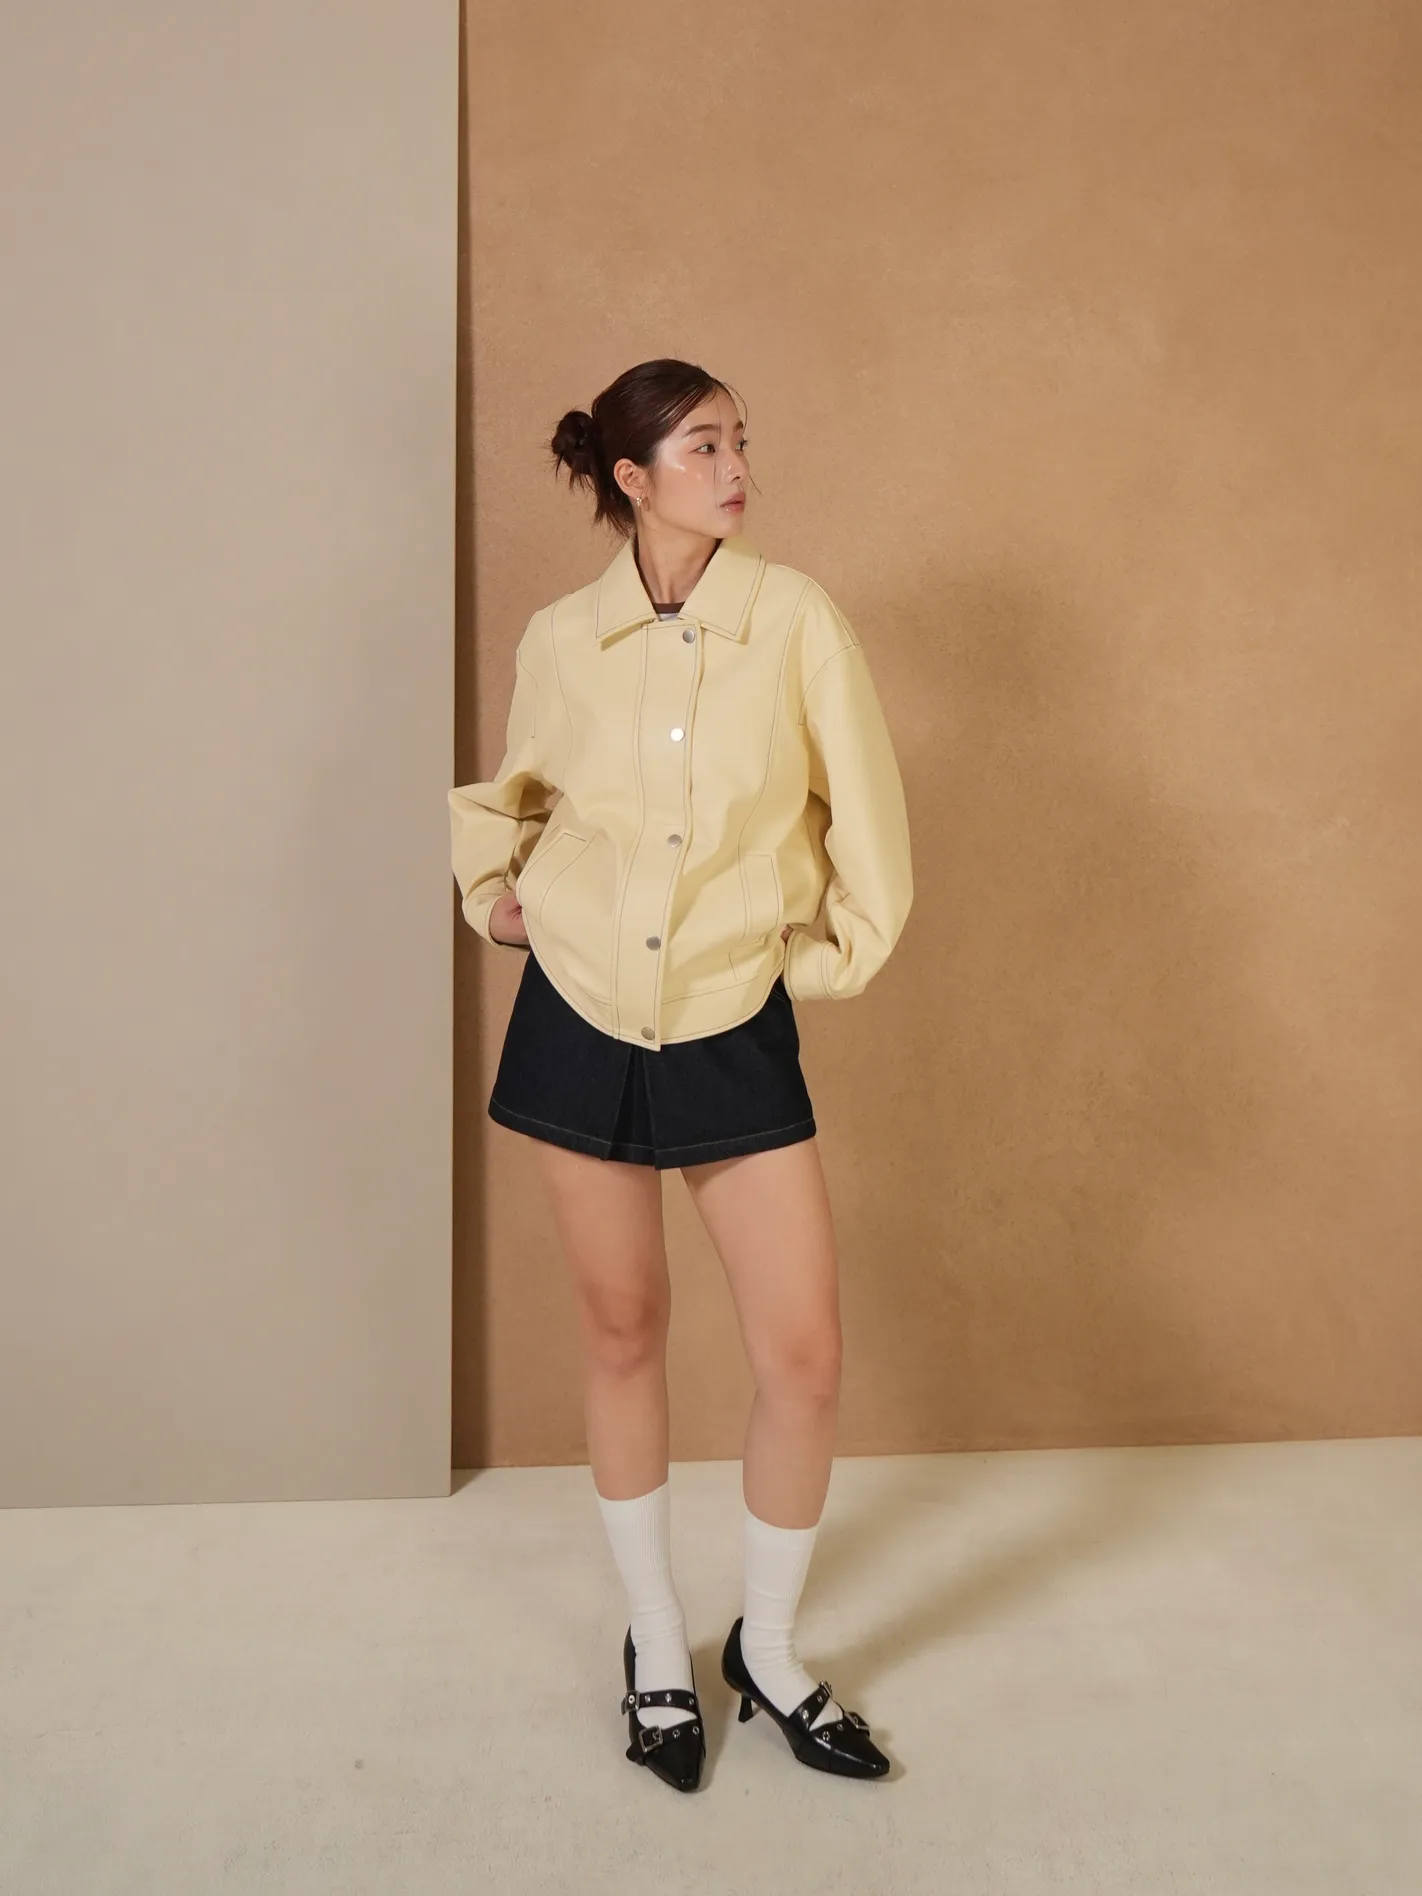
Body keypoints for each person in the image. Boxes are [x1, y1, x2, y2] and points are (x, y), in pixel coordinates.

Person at [448, 358, 913, 1791]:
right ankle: (656, 1643)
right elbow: (515, 798)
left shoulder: (796, 622)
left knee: (802, 1354)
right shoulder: (562, 637)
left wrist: (806, 967)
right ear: (630, 478)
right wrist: (500, 902)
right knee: (620, 1328)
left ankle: (766, 1650)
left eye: (740, 442)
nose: (736, 468)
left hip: (728, 1014)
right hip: (578, 1014)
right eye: (703, 446)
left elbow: (868, 829)